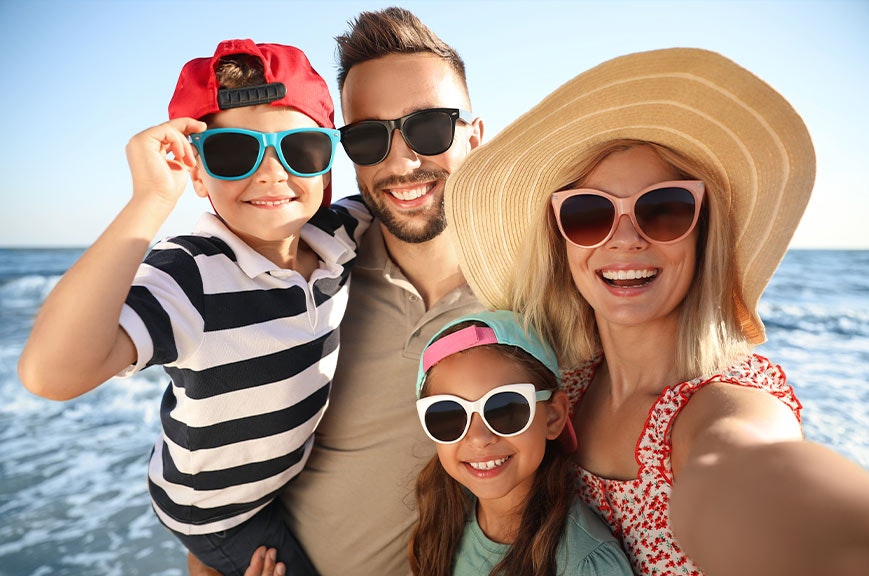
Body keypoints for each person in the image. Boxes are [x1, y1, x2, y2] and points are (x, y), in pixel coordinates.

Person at [444, 48, 869, 575]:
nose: (624, 239)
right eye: (588, 212)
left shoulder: (723, 408)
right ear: (561, 243)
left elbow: (754, 475)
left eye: (664, 208)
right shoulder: (562, 390)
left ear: (704, 230)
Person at [18, 39, 371, 576]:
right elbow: (51, 374)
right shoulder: (191, 273)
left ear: (327, 165)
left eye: (300, 148)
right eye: (233, 152)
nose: (273, 172)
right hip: (219, 510)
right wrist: (150, 200)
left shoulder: (338, 235)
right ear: (198, 173)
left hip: (276, 475)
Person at [190, 7, 486, 576]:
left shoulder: (540, 283)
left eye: (430, 127)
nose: (402, 160)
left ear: (474, 135)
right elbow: (221, 482)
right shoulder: (306, 285)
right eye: (369, 137)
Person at [410, 310, 633, 576]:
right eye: (448, 414)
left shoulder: (585, 564)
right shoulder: (445, 519)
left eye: (505, 409)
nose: (480, 438)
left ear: (553, 417)